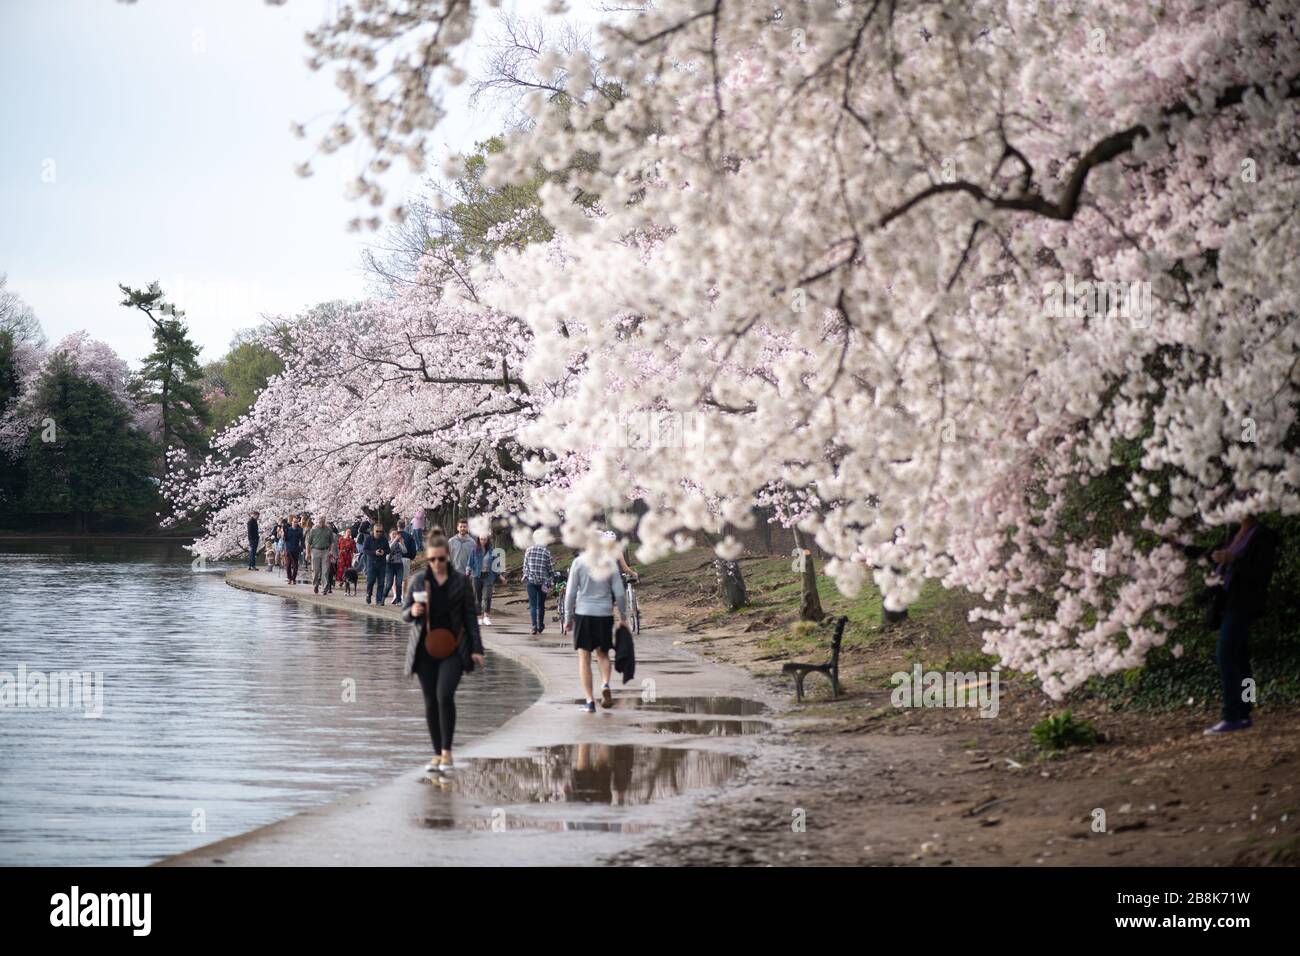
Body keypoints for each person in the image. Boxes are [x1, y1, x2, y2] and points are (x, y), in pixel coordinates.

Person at [401, 534, 485, 774]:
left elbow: (470, 617)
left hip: (454, 648)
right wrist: (413, 611)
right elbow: (404, 614)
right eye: (431, 559)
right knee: (430, 700)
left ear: (447, 557)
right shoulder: (419, 581)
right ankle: (437, 753)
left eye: (440, 559)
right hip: (424, 648)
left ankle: (447, 751)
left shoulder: (460, 582)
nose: (436, 563)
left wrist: (477, 650)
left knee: (444, 695)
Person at [1200, 514, 1278, 735]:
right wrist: (1180, 546)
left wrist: (1232, 559)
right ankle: (1246, 710)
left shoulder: (1262, 536)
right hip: (1228, 602)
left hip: (1244, 604)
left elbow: (1261, 572)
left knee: (1225, 655)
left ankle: (1232, 714)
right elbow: (1209, 553)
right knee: (1242, 660)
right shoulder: (1235, 532)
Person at [564, 549, 628, 713]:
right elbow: (619, 593)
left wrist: (568, 618)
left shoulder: (578, 562)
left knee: (584, 657)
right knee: (603, 654)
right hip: (604, 613)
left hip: (584, 613)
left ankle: (590, 701)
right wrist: (623, 616)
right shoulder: (610, 562)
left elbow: (570, 593)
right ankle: (605, 683)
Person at [522, 531, 555, 635]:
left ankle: (534, 626)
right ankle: (540, 625)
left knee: (532, 605)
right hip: (544, 583)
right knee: (541, 604)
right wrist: (551, 578)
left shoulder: (528, 551)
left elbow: (525, 567)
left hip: (531, 581)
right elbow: (551, 569)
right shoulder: (546, 552)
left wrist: (527, 575)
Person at [467, 532, 498, 626]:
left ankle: (486, 617)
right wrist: (467, 571)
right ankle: (478, 617)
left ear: (488, 540)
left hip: (488, 576)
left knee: (487, 597)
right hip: (476, 576)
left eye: (485, 539)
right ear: (478, 540)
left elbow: (496, 565)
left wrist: (500, 575)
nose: (483, 541)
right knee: (477, 597)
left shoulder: (492, 551)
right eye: (481, 539)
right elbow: (470, 562)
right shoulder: (474, 550)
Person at [308, 518, 337, 594]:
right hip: (315, 550)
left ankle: (325, 588)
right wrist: (307, 553)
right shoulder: (313, 530)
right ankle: (316, 585)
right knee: (316, 570)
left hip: (325, 551)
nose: (321, 523)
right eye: (320, 522)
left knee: (325, 570)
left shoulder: (328, 530)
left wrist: (330, 551)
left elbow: (331, 542)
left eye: (323, 522)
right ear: (317, 522)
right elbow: (309, 543)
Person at [363, 524, 389, 605]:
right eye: (377, 531)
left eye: (380, 531)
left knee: (381, 583)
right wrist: (374, 552)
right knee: (370, 581)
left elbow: (388, 550)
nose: (379, 533)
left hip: (382, 563)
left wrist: (384, 552)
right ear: (373, 531)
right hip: (371, 563)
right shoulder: (368, 539)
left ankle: (379, 600)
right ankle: (368, 594)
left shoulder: (384, 539)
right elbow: (364, 550)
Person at [386, 527, 408, 605]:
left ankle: (398, 598)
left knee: (399, 582)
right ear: (390, 535)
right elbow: (389, 549)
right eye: (393, 534)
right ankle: (390, 596)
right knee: (390, 582)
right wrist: (395, 540)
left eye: (396, 534)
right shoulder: (388, 543)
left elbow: (405, 551)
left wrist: (402, 544)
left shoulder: (399, 543)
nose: (395, 535)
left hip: (399, 564)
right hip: (390, 565)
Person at [283, 516, 304, 585]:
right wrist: (283, 534)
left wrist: (301, 548)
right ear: (291, 522)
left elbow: (302, 540)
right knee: (288, 564)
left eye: (296, 522)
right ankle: (289, 578)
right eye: (294, 522)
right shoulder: (288, 530)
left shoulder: (299, 530)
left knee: (295, 565)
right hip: (288, 549)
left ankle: (294, 578)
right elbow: (284, 539)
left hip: (296, 549)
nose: (295, 523)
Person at [397, 519, 416, 594]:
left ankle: (396, 595)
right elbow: (413, 548)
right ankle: (403, 595)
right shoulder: (409, 536)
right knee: (405, 579)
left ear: (397, 526)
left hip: (395, 559)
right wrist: (412, 557)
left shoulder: (394, 535)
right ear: (404, 526)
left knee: (396, 578)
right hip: (406, 558)